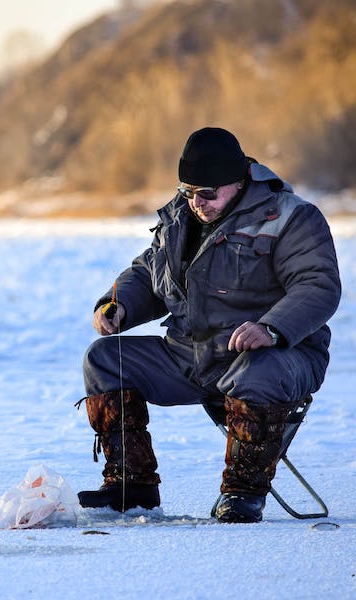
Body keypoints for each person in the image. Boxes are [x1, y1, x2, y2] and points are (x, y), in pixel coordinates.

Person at [78, 127, 341, 523]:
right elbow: (149, 273)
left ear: (237, 183)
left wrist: (270, 328)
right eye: (188, 191)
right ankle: (131, 487)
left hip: (279, 354)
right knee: (104, 359)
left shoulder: (291, 217)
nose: (196, 202)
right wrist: (117, 306)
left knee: (258, 369)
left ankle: (243, 493)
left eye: (207, 193)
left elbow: (318, 285)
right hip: (192, 355)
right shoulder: (179, 217)